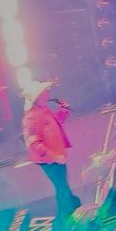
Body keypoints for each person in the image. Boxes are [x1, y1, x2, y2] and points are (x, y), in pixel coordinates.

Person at [21, 80, 81, 218]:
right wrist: (55, 157)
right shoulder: (31, 118)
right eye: (43, 93)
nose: (47, 94)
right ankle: (67, 214)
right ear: (36, 98)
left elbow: (56, 123)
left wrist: (63, 111)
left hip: (57, 155)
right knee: (61, 185)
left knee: (62, 183)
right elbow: (34, 144)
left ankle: (70, 204)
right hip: (49, 160)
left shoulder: (44, 110)